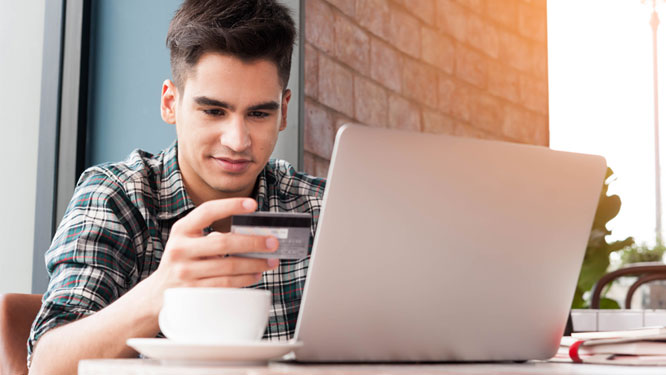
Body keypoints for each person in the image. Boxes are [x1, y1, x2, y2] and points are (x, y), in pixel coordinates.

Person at [27, 0, 325, 373]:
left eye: (259, 113)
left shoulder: (319, 207)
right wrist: (162, 289)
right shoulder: (117, 196)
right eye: (214, 111)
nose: (237, 140)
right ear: (171, 103)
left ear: (283, 111)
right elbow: (47, 365)